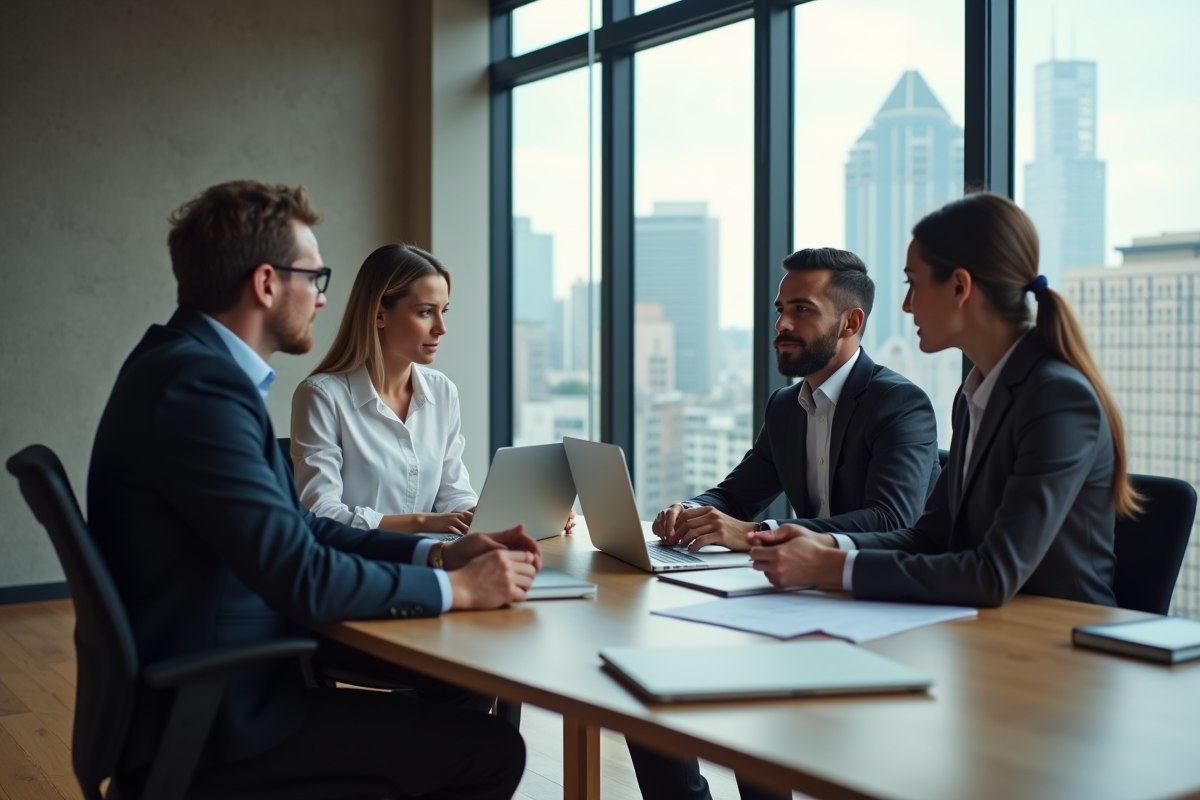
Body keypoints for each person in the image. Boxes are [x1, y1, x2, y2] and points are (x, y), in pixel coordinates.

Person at [88, 180, 537, 799]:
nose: (324, 299)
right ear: (267, 284)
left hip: (229, 681)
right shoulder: (200, 391)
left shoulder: (185, 368)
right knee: (490, 751)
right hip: (223, 718)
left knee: (461, 695)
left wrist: (436, 554)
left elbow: (298, 530)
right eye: (314, 279)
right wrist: (455, 587)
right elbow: (301, 572)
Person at [633, 247, 941, 800]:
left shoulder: (900, 404)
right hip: (801, 598)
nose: (781, 325)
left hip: (883, 608)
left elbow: (894, 517)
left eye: (802, 310)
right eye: (780, 309)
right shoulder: (784, 406)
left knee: (752, 711)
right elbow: (736, 492)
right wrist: (691, 511)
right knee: (647, 680)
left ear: (851, 322)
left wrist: (754, 536)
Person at [747, 192, 1139, 608]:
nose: (906, 304)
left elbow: (992, 574)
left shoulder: (1058, 399)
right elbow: (930, 537)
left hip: (1061, 639)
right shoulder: (976, 394)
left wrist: (828, 567)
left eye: (913, 283)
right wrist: (823, 541)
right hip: (986, 630)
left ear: (959, 286)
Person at [290, 244, 574, 541]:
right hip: (358, 568)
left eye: (443, 311)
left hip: (434, 559)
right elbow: (320, 514)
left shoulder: (442, 392)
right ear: (379, 315)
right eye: (426, 312)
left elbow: (455, 496)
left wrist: (519, 516)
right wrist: (423, 522)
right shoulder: (321, 397)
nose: (441, 328)